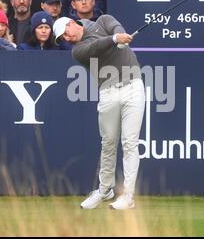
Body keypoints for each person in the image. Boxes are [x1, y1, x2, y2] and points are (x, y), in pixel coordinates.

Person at [53, 15, 145, 210]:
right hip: (108, 92)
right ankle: (105, 190)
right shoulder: (77, 51)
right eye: (62, 39)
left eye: (65, 34)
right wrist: (114, 40)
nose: (66, 39)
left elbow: (115, 26)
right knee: (109, 142)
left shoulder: (103, 21)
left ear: (71, 23)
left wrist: (119, 35)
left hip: (133, 87)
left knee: (130, 142)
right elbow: (95, 48)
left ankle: (128, 196)